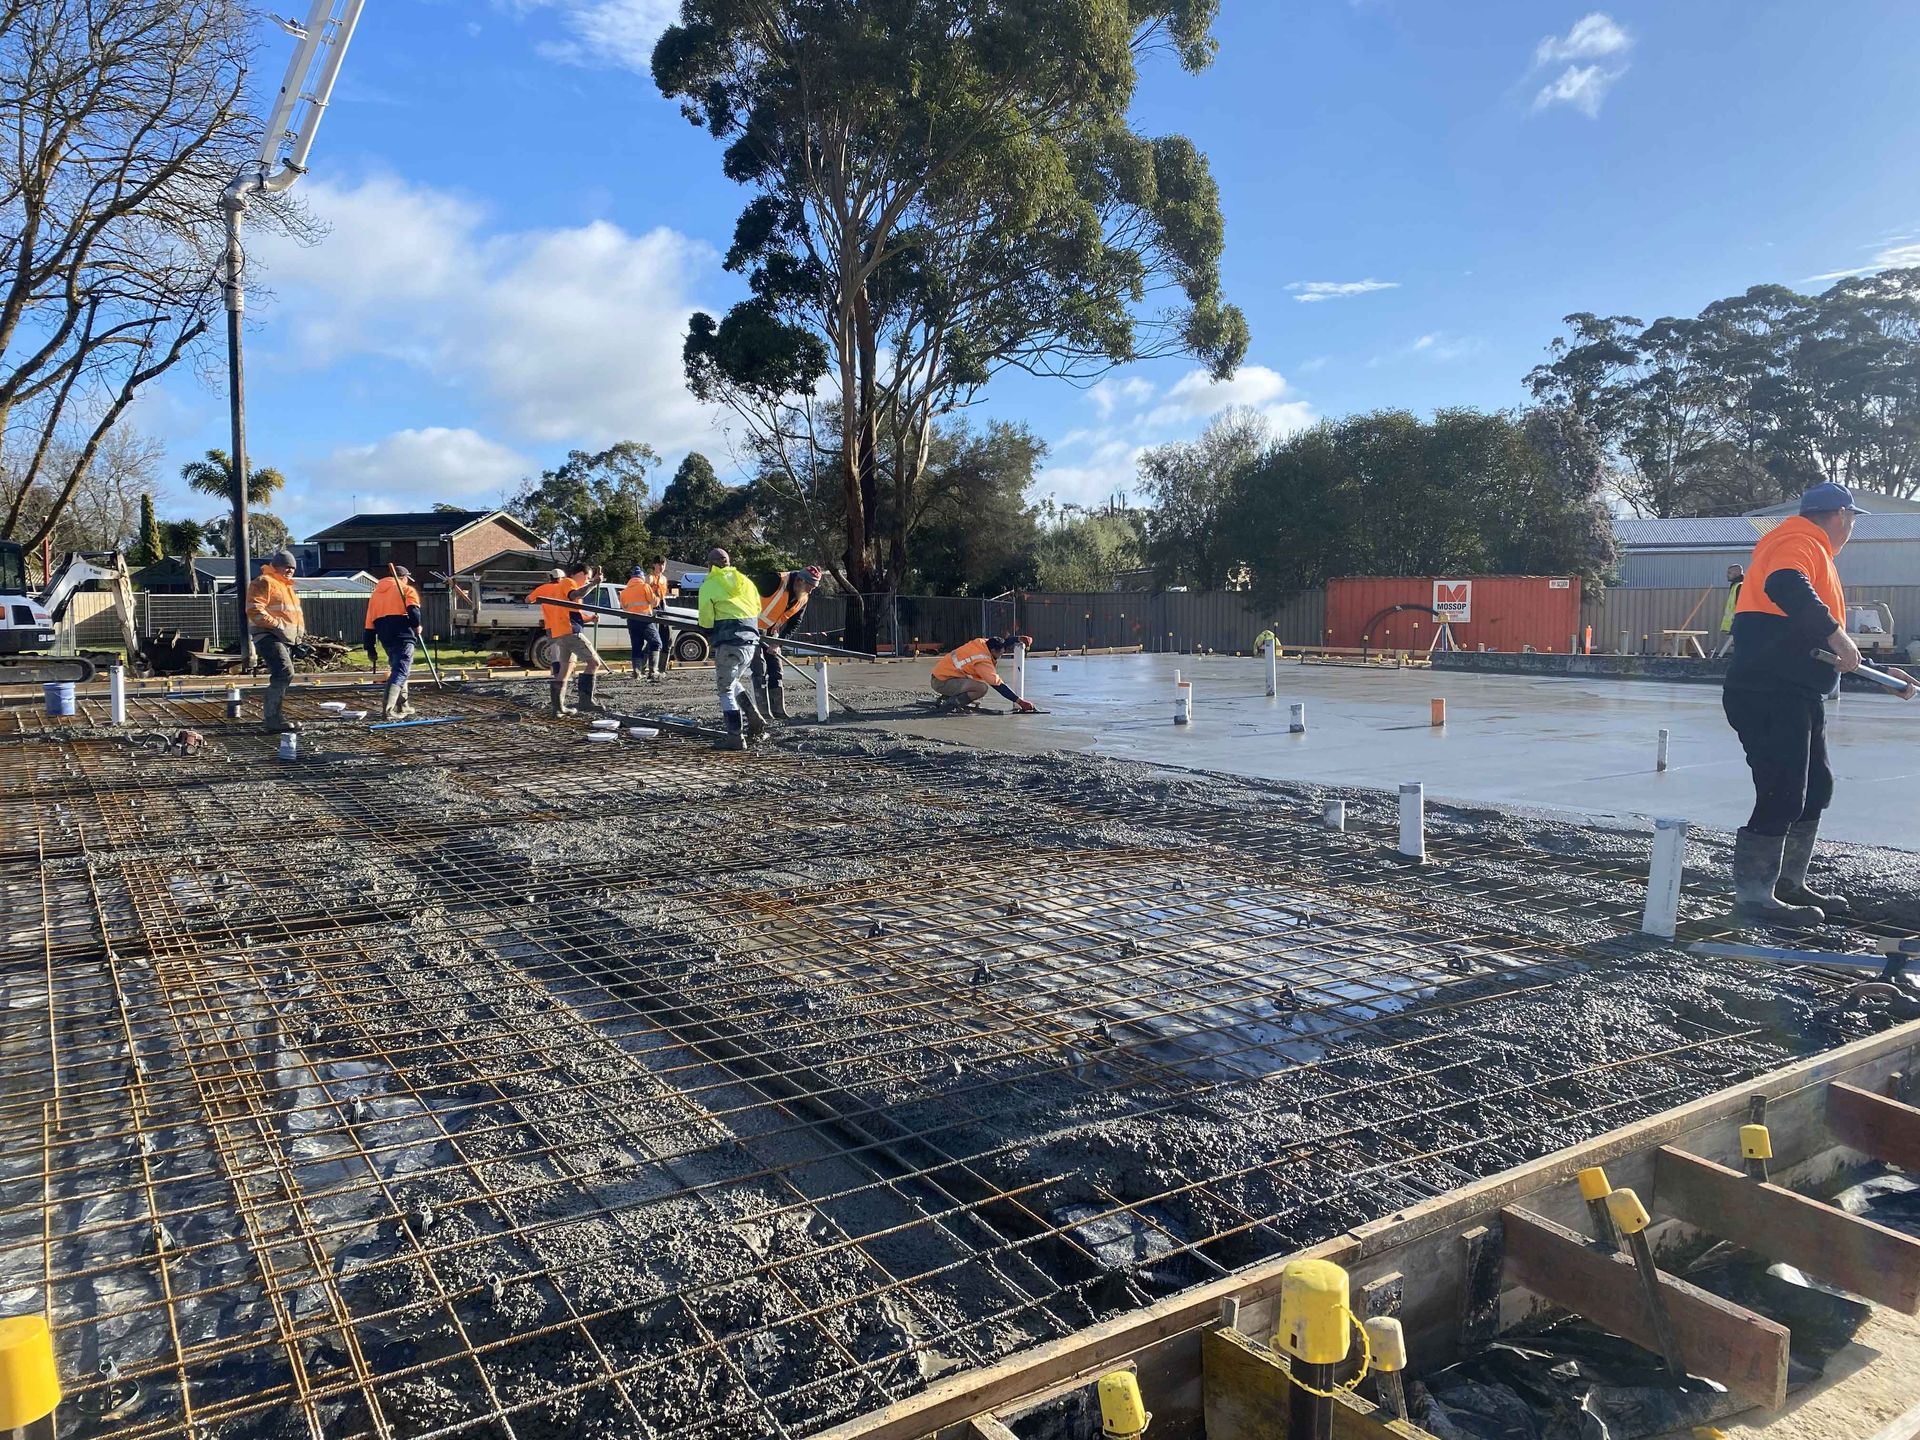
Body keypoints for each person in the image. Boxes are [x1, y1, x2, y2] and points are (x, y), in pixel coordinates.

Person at [1722, 482, 1914, 923]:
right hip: (1767, 692)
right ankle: (1754, 897)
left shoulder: (1812, 551)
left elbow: (1819, 647)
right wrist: (1837, 632)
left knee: (1816, 789)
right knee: (1783, 791)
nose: (1850, 531)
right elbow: (1786, 584)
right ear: (1841, 516)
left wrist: (1881, 677)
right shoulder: (1799, 539)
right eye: (1850, 521)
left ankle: (1788, 883)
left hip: (1796, 690)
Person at [697, 547, 770, 751]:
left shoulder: (710, 584)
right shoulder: (745, 581)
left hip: (729, 642)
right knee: (733, 681)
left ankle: (735, 737)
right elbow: (757, 608)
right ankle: (754, 718)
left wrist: (707, 628)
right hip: (750, 642)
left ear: (710, 566)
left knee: (725, 689)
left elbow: (706, 619)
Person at [527, 562, 607, 716]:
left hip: (561, 632)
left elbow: (572, 611)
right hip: (570, 632)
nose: (587, 581)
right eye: (587, 578)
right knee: (594, 662)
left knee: (564, 670)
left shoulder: (560, 586)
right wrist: (594, 583)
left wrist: (590, 618)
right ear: (581, 573)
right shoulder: (568, 583)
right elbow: (575, 595)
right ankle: (585, 702)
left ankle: (558, 708)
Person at [245, 548, 305, 734]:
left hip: (284, 637)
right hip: (268, 635)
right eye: (285, 566)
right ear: (275, 566)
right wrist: (277, 624)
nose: (289, 570)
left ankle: (275, 716)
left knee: (284, 674)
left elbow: (292, 616)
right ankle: (273, 718)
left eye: (292, 567)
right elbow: (254, 609)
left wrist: (298, 637)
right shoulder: (264, 581)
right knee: (284, 672)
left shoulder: (287, 587)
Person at [753, 565, 823, 719]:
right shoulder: (775, 580)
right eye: (809, 586)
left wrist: (778, 643)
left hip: (773, 633)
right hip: (753, 629)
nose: (810, 591)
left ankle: (778, 709)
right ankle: (763, 711)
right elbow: (746, 595)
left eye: (813, 588)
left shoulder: (803, 597)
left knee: (776, 669)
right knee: (759, 669)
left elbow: (794, 623)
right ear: (799, 580)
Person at [363, 565, 423, 720]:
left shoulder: (375, 595)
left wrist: (370, 648)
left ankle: (403, 705)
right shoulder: (406, 589)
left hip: (385, 636)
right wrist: (417, 625)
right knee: (401, 670)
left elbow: (369, 624)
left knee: (399, 669)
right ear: (404, 577)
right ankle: (388, 710)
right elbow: (414, 612)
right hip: (403, 634)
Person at [930, 634, 1038, 713]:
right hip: (941, 682)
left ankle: (946, 697)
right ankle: (952, 703)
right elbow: (998, 685)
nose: (1001, 655)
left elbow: (1003, 643)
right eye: (1000, 654)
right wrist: (1020, 701)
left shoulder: (982, 643)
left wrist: (1019, 639)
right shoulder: (982, 661)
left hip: (941, 675)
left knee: (976, 680)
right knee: (981, 688)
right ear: (993, 651)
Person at [620, 561, 672, 681]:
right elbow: (654, 602)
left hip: (632, 621)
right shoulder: (644, 586)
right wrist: (658, 597)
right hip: (645, 619)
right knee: (656, 642)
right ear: (642, 577)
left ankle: (637, 672)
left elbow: (624, 607)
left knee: (636, 646)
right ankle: (653, 671)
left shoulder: (624, 591)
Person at [1715, 564, 1744, 658]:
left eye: (1729, 573)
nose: (1727, 575)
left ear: (1736, 573)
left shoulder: (1740, 586)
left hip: (1739, 622)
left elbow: (1740, 605)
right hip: (1736, 622)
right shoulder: (1735, 586)